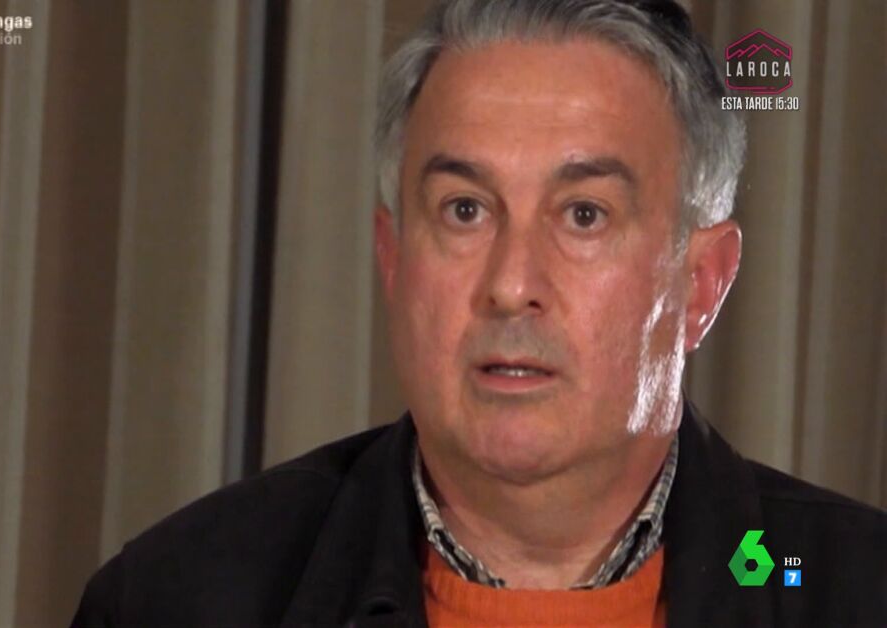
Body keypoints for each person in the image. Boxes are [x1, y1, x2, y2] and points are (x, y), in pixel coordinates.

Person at [72, 1, 887, 626]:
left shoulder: (854, 589)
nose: (510, 284)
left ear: (701, 284)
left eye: (584, 216)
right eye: (465, 210)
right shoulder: (176, 600)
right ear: (393, 257)